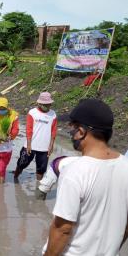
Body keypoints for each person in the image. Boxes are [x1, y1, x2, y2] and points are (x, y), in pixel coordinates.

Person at [43, 99, 128, 256]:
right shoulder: (125, 166)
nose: (71, 133)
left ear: (81, 132)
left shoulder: (75, 171)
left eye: (72, 128)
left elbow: (63, 229)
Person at [14, 92, 57, 181]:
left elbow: (53, 131)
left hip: (44, 148)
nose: (47, 106)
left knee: (41, 169)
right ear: (39, 103)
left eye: (49, 104)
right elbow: (29, 129)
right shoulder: (32, 113)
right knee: (22, 163)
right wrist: (29, 145)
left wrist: (51, 145)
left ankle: (38, 187)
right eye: (45, 104)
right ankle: (15, 178)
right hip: (30, 145)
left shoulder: (53, 114)